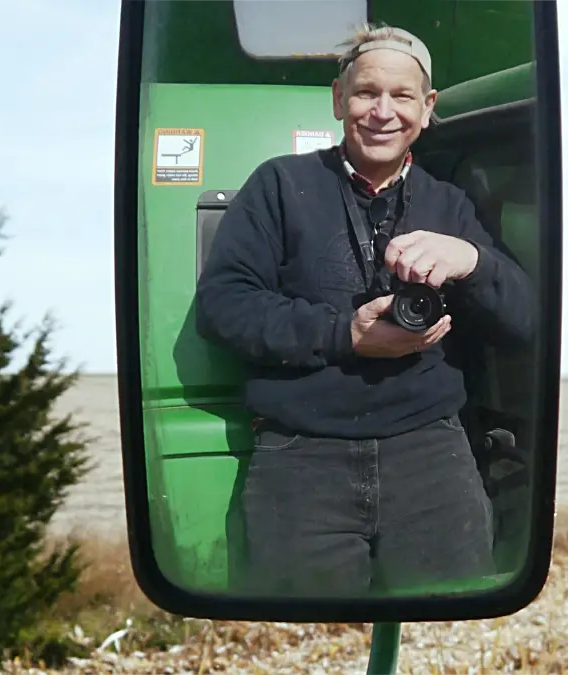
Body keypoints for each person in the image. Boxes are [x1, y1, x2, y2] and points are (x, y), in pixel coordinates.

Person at [197, 22, 537, 596]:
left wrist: (472, 260)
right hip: (299, 458)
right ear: (338, 99)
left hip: (432, 455)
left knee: (445, 632)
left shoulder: (450, 204)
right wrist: (344, 334)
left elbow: (525, 322)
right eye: (366, 93)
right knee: (307, 642)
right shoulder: (280, 185)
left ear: (427, 108)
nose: (383, 112)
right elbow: (223, 307)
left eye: (402, 96)